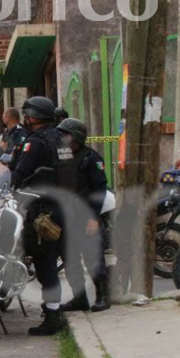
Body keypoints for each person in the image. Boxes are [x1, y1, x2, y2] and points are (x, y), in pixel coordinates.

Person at [11, 97, 77, 336]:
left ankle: (52, 315)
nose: (26, 120)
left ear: (34, 117)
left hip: (42, 211)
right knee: (57, 258)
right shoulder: (62, 140)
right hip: (64, 206)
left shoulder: (35, 143)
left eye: (27, 116)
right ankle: (57, 309)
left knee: (45, 264)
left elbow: (19, 173)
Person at [57, 117, 111, 313]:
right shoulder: (63, 157)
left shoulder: (91, 159)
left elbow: (99, 190)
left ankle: (103, 297)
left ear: (76, 137)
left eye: (65, 135)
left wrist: (94, 218)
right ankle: (79, 298)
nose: (62, 139)